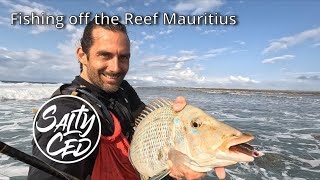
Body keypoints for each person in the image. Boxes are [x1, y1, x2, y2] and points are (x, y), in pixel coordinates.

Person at [27, 17, 225, 180]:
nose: (115, 68)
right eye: (104, 55)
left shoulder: (122, 88)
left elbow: (148, 124)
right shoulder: (68, 113)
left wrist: (177, 121)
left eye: (123, 57)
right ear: (82, 55)